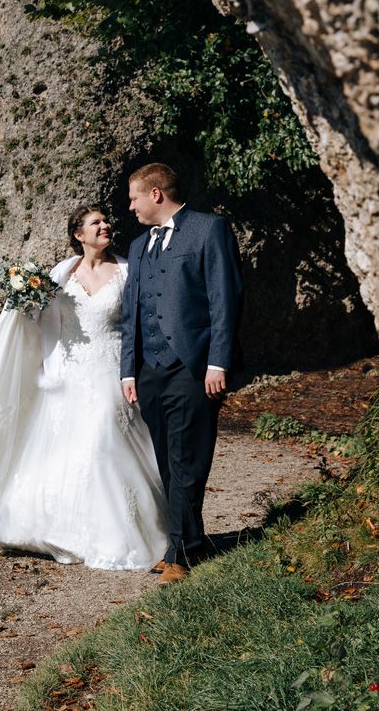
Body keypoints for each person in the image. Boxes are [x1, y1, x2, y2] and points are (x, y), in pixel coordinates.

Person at [0, 205, 168, 570]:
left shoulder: (128, 271)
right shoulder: (62, 274)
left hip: (111, 368)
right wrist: (25, 307)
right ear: (79, 235)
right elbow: (45, 323)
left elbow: (141, 325)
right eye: (96, 223)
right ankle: (57, 530)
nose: (106, 226)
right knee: (63, 448)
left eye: (106, 221)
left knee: (103, 437)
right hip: (68, 373)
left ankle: (116, 536)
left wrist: (138, 372)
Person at [120, 163, 243, 585]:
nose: (130, 206)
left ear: (156, 195)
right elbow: (130, 313)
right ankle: (182, 542)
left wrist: (218, 361)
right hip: (150, 370)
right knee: (168, 465)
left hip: (194, 366)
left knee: (188, 459)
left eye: (134, 197)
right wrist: (128, 370)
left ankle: (183, 555)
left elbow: (225, 298)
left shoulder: (209, 230)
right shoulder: (138, 246)